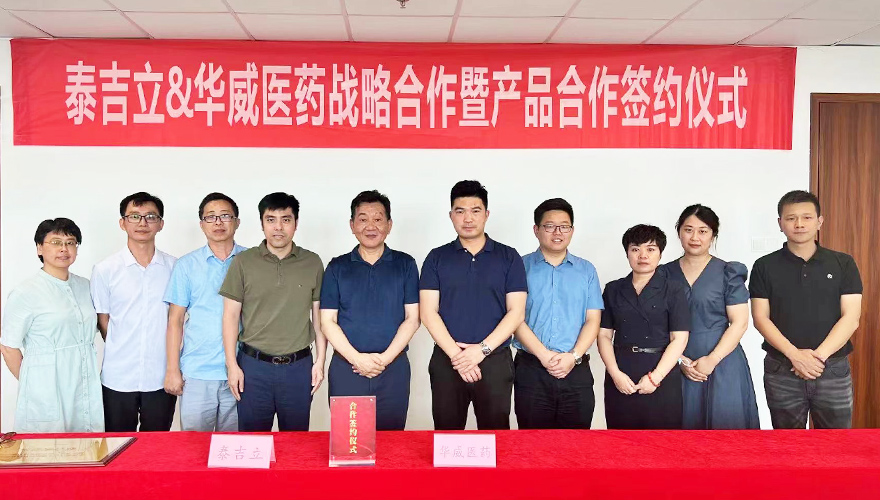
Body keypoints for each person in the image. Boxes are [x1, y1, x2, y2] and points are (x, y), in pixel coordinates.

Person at [420, 180, 528, 430]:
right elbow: (427, 311)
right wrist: (458, 357)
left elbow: (516, 312)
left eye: (475, 211)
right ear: (451, 215)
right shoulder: (437, 257)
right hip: (448, 359)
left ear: (486, 214)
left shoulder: (508, 257)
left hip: (495, 359)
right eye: (460, 211)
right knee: (447, 436)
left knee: (495, 436)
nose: (468, 218)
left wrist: (481, 351)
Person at [750, 190, 862, 429]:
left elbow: (851, 317)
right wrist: (795, 356)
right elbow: (760, 317)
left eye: (807, 217)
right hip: (782, 368)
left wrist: (816, 359)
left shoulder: (843, 263)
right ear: (780, 223)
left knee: (835, 444)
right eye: (791, 218)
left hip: (832, 367)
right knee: (788, 444)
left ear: (820, 221)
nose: (799, 224)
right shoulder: (764, 266)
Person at [219, 192, 326, 432]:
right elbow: (230, 317)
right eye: (271, 219)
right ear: (262, 224)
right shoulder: (243, 262)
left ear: (296, 223)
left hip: (298, 367)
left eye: (286, 219)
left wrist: (320, 361)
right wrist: (232, 366)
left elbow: (319, 318)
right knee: (253, 443)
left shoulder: (312, 262)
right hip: (253, 367)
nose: (278, 227)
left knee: (296, 442)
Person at [320, 190, 420, 430]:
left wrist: (383, 360)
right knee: (349, 442)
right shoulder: (336, 267)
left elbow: (413, 318)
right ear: (352, 225)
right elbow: (327, 321)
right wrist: (357, 359)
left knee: (391, 440)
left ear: (389, 225)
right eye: (363, 219)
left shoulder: (405, 264)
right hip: (347, 368)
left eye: (378, 219)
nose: (370, 226)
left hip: (393, 368)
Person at [660, 204, 760, 429]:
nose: (695, 237)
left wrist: (712, 360)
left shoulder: (728, 272)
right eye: (688, 230)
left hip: (723, 361)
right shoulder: (663, 273)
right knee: (679, 436)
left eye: (703, 231)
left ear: (713, 234)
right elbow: (657, 323)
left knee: (726, 432)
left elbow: (739, 322)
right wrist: (679, 359)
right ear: (679, 232)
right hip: (675, 361)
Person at [0, 218, 104, 432]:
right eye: (56, 242)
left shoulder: (86, 286)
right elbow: (9, 347)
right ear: (39, 248)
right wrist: (34, 384)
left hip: (84, 380)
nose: (64, 249)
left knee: (87, 443)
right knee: (47, 446)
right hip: (46, 386)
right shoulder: (25, 292)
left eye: (70, 242)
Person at [513, 198, 603, 429]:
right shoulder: (518, 267)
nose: (557, 232)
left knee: (576, 444)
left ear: (572, 230)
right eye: (550, 226)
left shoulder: (586, 270)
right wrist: (544, 355)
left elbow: (593, 320)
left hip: (576, 369)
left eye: (564, 226)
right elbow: (514, 318)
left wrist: (573, 356)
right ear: (536, 230)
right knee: (532, 442)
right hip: (531, 369)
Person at [91, 192, 177, 432]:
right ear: (122, 223)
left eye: (150, 216)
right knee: (117, 445)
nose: (143, 223)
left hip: (161, 375)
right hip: (118, 376)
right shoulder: (105, 269)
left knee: (157, 446)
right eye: (135, 216)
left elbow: (178, 318)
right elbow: (103, 320)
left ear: (161, 224)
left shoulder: (175, 267)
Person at [163, 193, 246, 432]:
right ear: (201, 224)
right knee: (194, 447)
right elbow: (175, 320)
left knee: (236, 447)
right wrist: (172, 370)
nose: (218, 222)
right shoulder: (186, 265)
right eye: (210, 217)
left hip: (243, 370)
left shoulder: (252, 261)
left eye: (225, 216)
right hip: (198, 372)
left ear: (237, 222)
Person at [598, 224, 690, 429]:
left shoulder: (673, 289)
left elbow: (679, 339)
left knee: (662, 441)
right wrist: (615, 373)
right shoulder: (613, 289)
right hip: (621, 371)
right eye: (635, 249)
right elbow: (603, 335)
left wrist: (655, 378)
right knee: (621, 439)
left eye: (650, 249)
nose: (643, 255)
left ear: (660, 254)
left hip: (662, 371)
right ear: (627, 253)